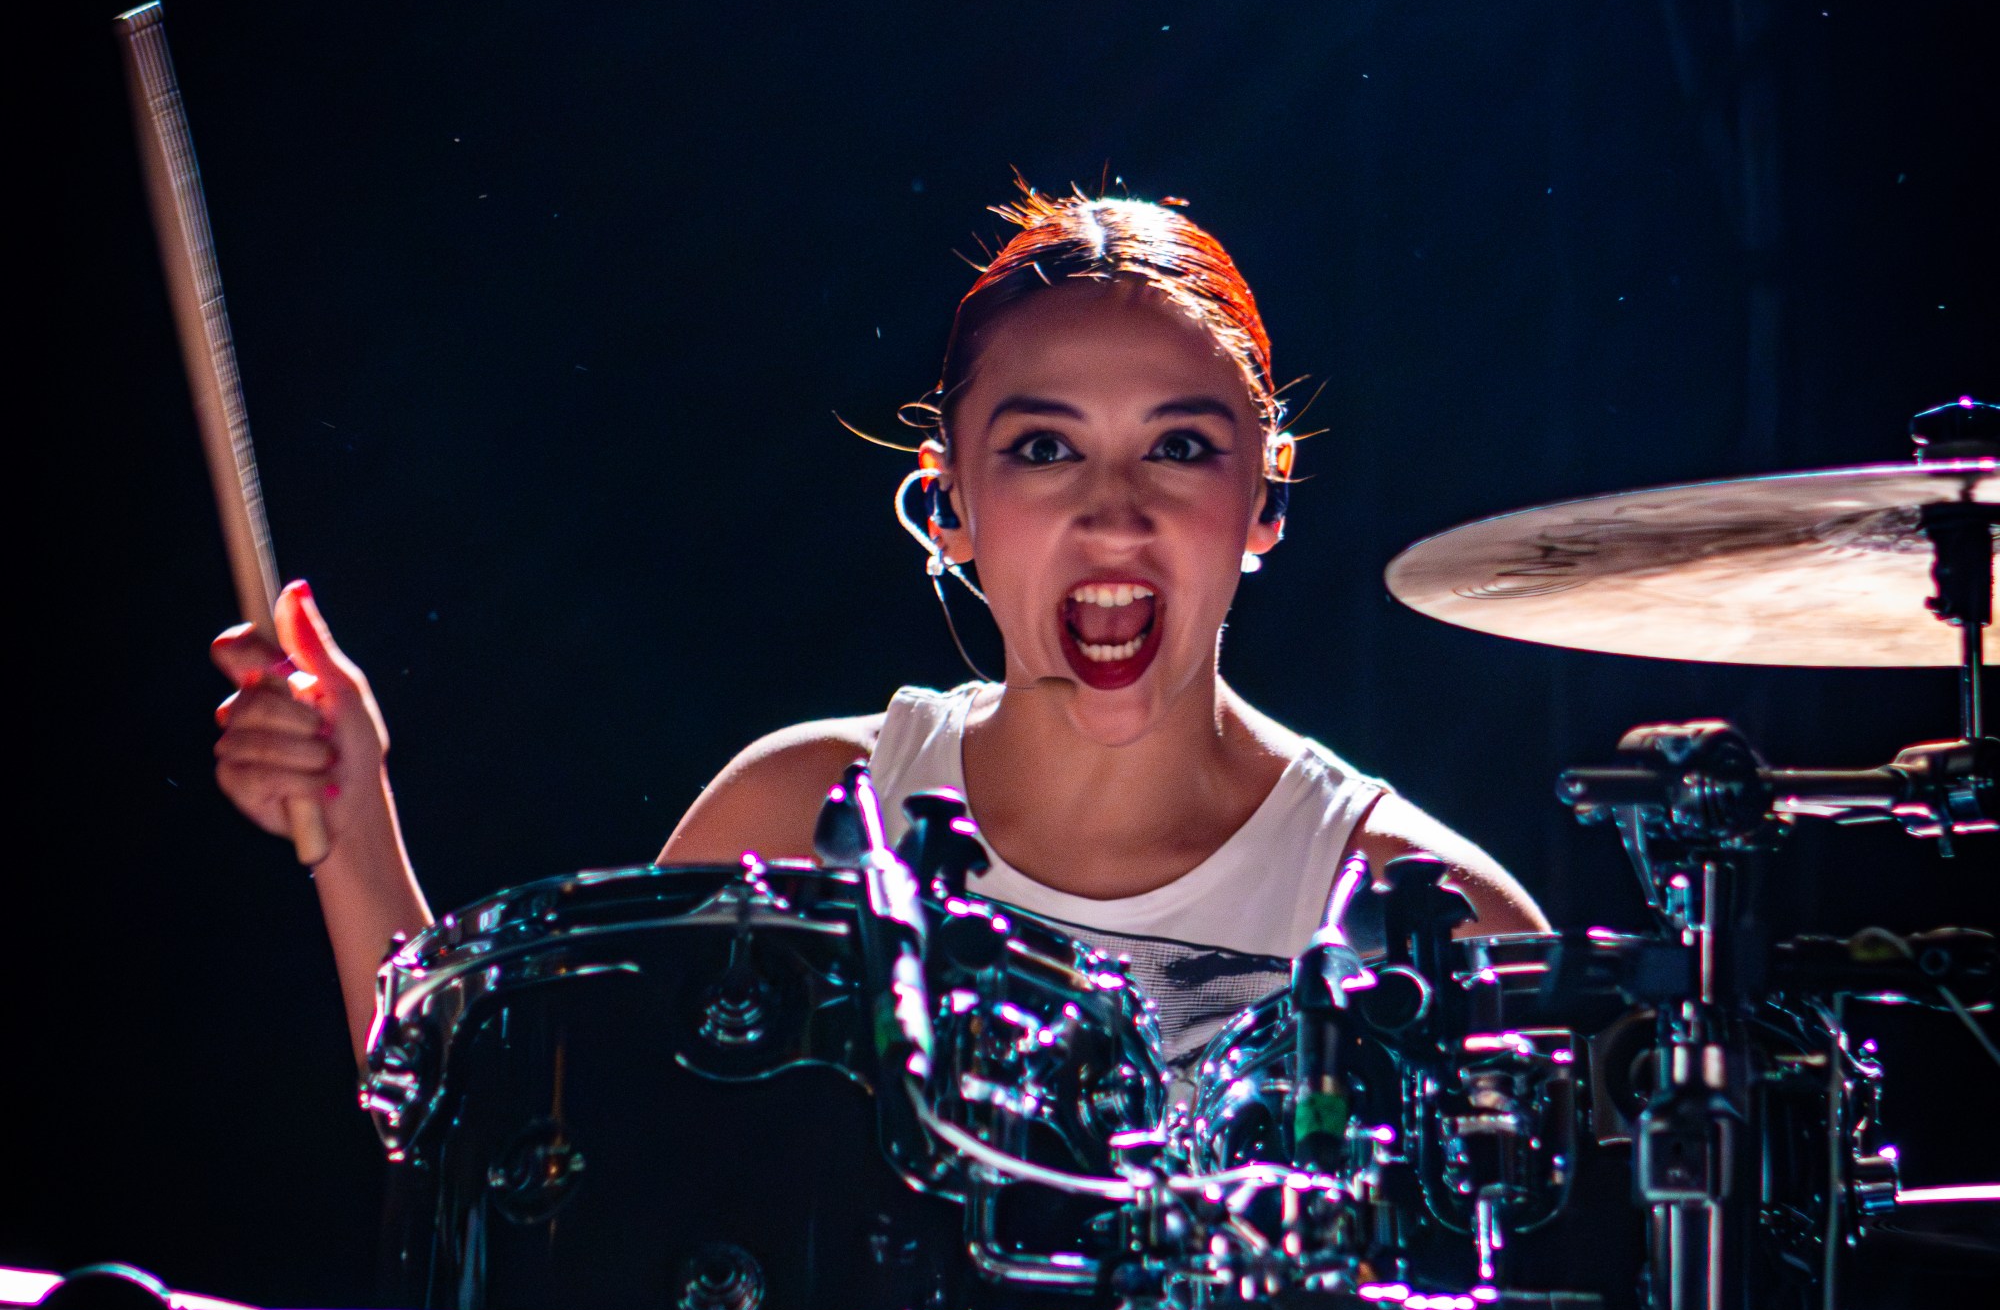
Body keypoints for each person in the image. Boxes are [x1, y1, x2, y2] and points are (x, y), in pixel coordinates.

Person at [212, 188, 1543, 1070]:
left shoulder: (1437, 923)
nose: (1115, 517)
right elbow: (519, 1137)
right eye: (1042, 450)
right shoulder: (801, 811)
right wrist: (353, 812)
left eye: (1180, 447)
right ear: (949, 502)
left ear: (1265, 499)